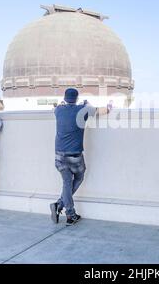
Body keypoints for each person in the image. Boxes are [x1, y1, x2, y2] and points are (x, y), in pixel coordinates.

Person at [50, 88, 112, 225]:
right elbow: (104, 110)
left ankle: (60, 205)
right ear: (77, 98)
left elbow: (56, 108)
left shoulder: (59, 110)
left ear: (65, 98)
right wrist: (88, 104)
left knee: (66, 183)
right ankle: (68, 213)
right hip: (74, 155)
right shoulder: (82, 109)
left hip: (59, 154)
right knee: (79, 176)